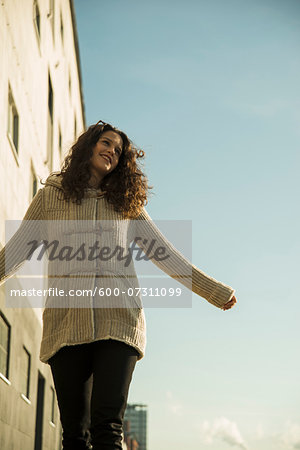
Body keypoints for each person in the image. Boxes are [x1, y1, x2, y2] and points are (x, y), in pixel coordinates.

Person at [0, 120, 237, 450]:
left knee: (108, 428)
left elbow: (165, 254)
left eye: (119, 150)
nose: (112, 151)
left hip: (119, 321)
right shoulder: (50, 198)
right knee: (74, 434)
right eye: (107, 143)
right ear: (89, 146)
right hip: (66, 323)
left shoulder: (126, 205)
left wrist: (214, 291)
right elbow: (18, 250)